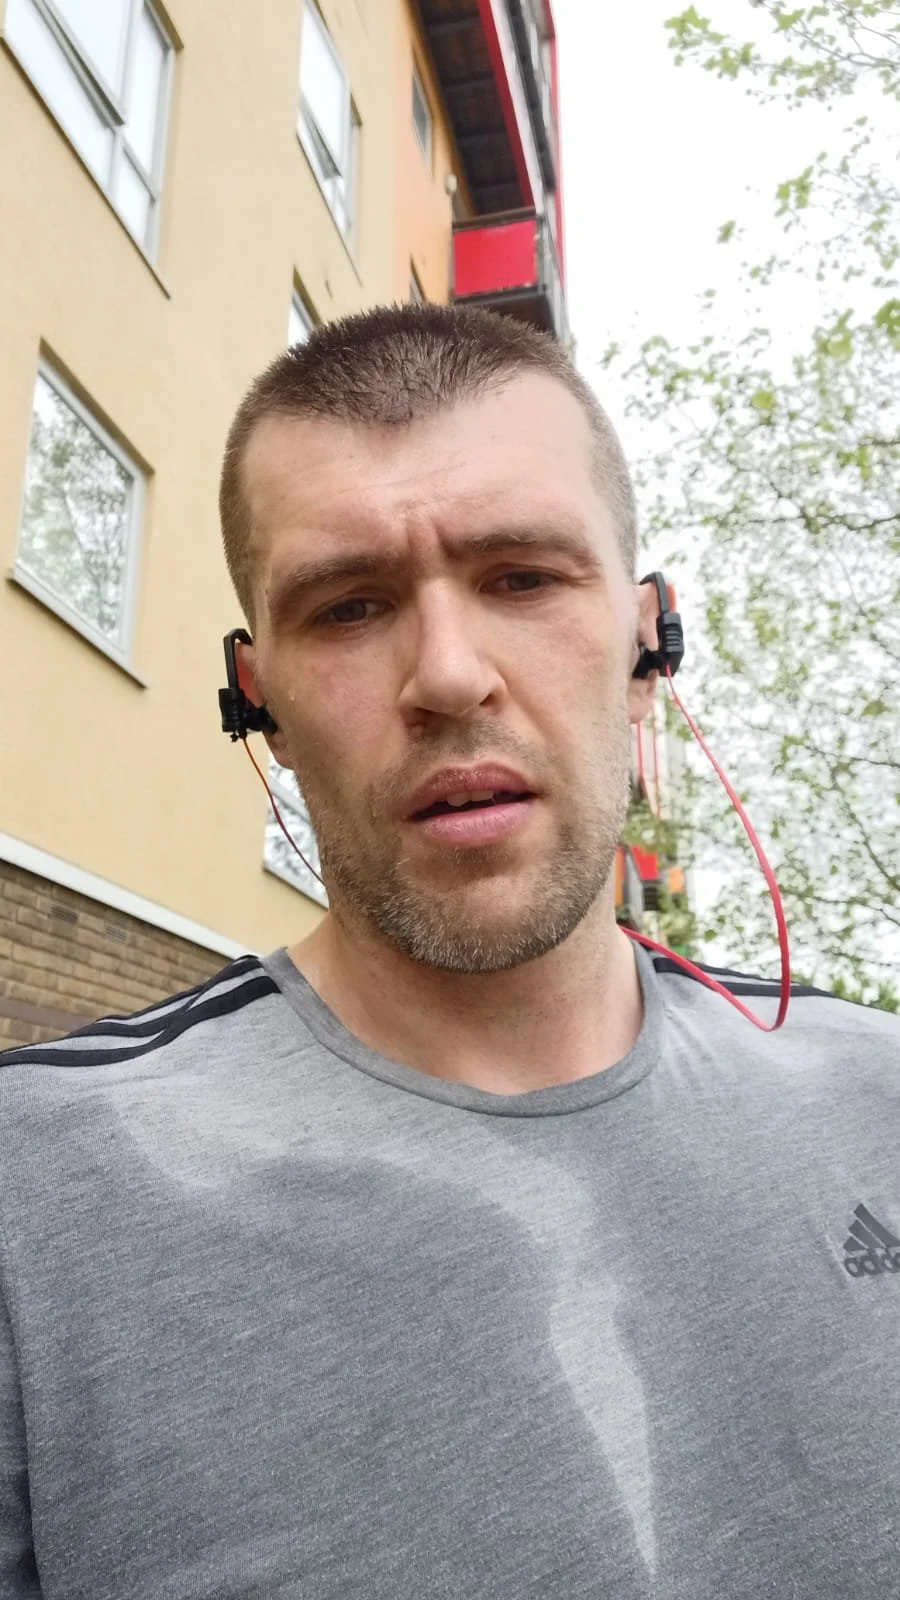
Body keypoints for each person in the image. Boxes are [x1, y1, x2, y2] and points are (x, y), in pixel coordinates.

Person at [1, 304, 897, 1600]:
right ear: (263, 704)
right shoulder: (33, 1207)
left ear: (649, 647)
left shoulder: (881, 1101)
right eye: (350, 606)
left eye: (523, 577)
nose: (449, 674)